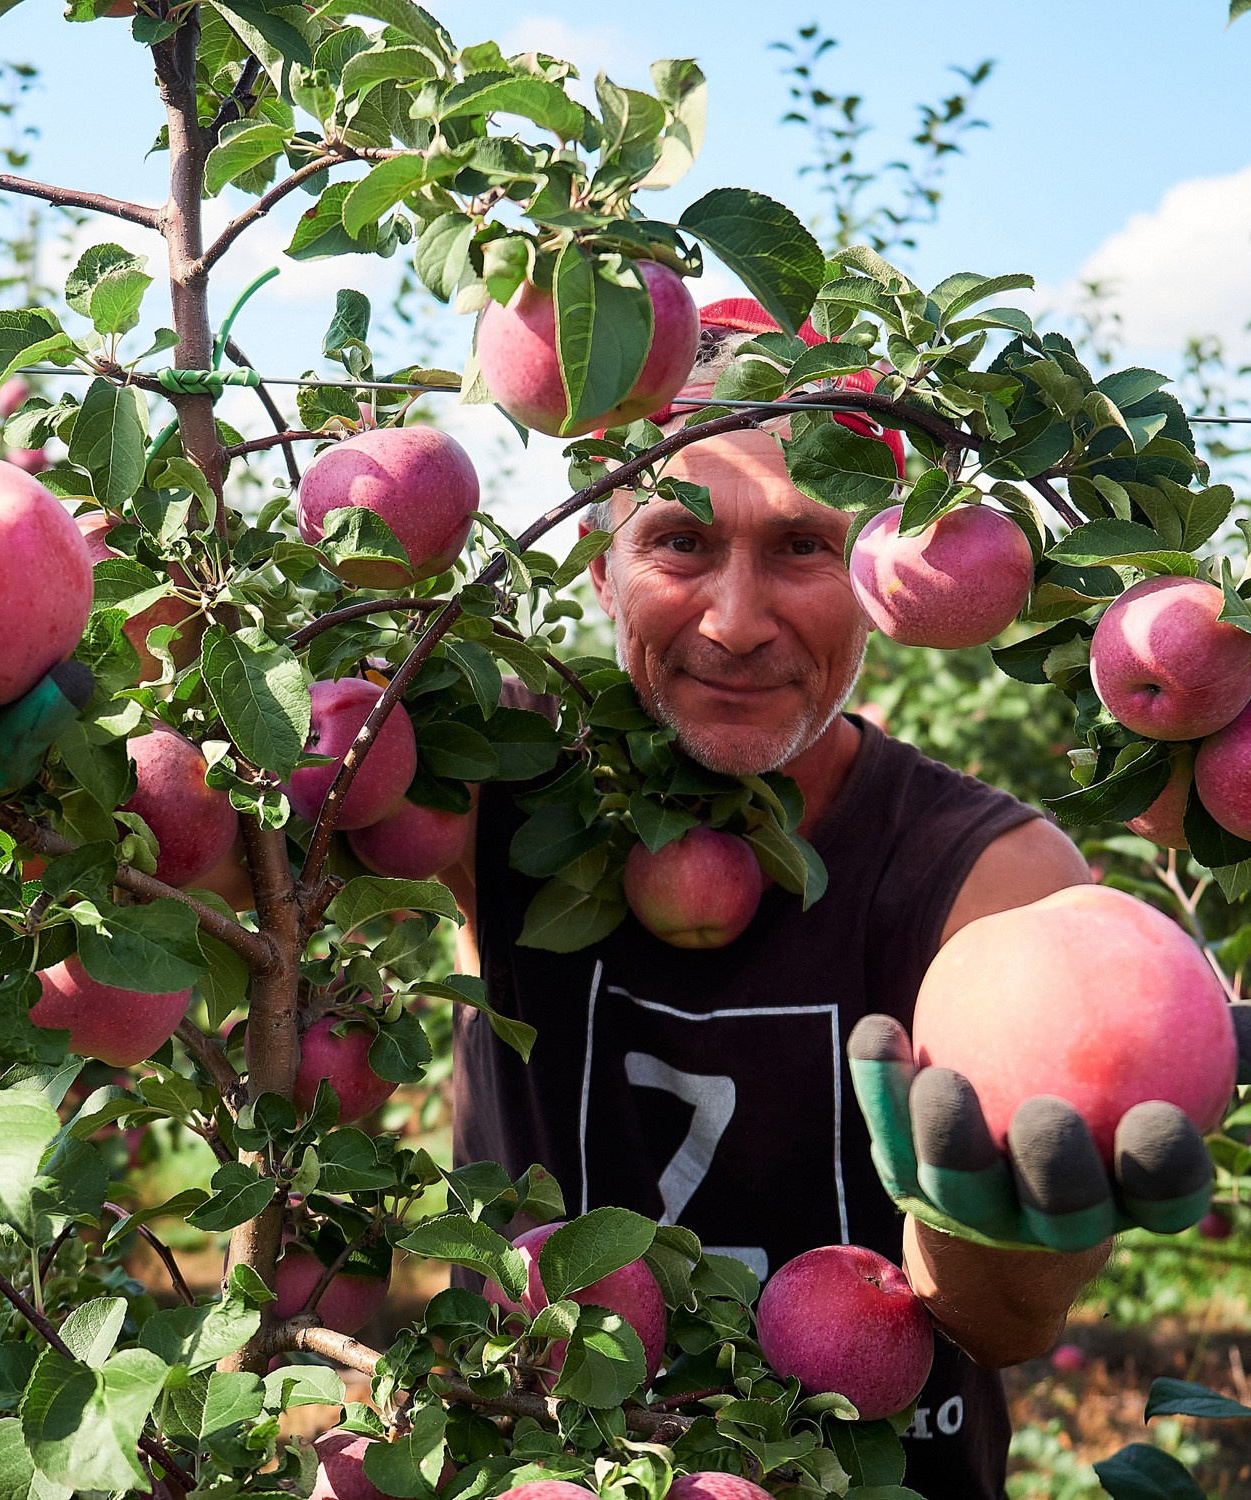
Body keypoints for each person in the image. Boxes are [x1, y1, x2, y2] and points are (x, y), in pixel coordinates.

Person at [446, 298, 1101, 1499]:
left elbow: (1005, 1326)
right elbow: (236, 864)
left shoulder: (986, 879)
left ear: (870, 580)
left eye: (800, 546)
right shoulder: (489, 787)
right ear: (600, 566)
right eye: (678, 544)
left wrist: (985, 1228)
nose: (733, 624)